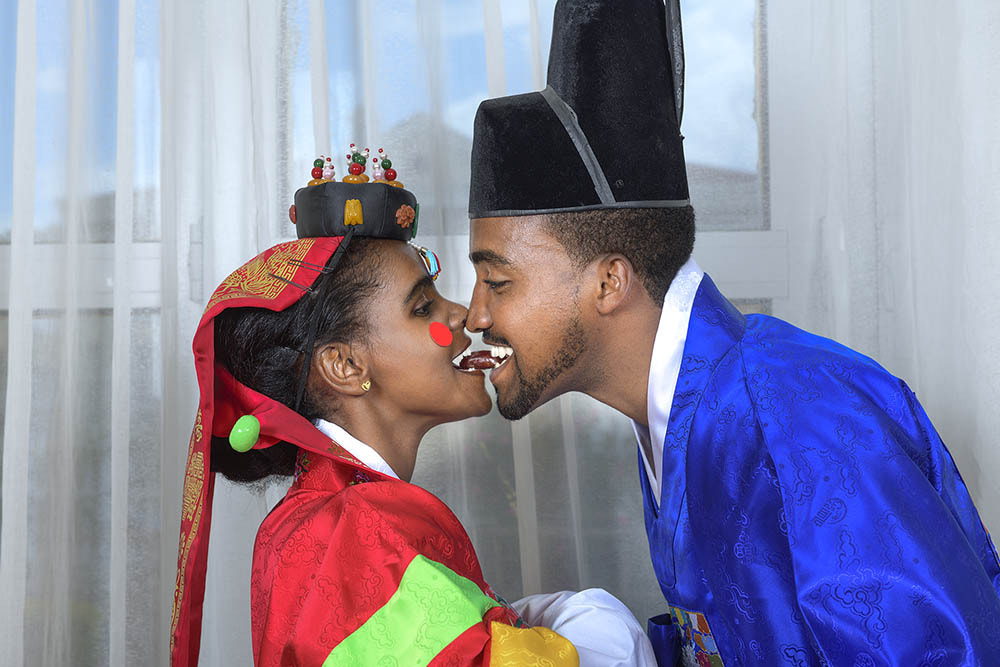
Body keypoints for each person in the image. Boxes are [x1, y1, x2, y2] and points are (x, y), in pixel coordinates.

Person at [463, 0, 1000, 664]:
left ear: (608, 282)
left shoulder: (799, 412)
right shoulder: (669, 411)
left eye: (497, 280)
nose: (474, 315)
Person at [169, 152, 656, 666]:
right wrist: (600, 622)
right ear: (345, 366)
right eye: (423, 307)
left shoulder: (331, 515)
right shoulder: (354, 529)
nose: (463, 314)